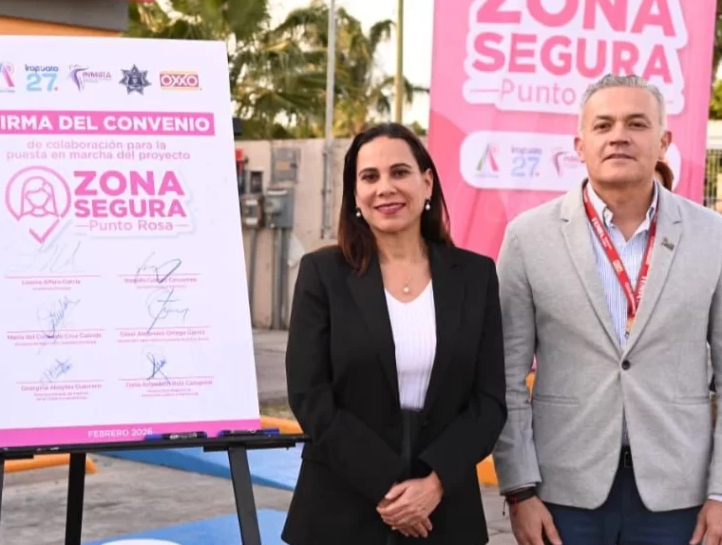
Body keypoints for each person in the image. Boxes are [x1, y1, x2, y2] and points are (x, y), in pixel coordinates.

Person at [494, 73, 722, 545]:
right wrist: (519, 491)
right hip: (561, 492)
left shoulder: (712, 237)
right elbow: (505, 377)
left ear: (664, 142)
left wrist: (721, 493)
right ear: (580, 145)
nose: (619, 135)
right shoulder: (528, 237)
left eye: (636, 123)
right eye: (603, 125)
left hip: (679, 494)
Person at [282, 122, 506, 544]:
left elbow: (489, 400)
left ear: (427, 183)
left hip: (444, 512)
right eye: (370, 177)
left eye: (399, 172)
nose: (385, 188)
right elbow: (310, 395)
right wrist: (389, 489)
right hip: (340, 509)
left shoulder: (475, 276)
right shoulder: (322, 274)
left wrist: (434, 483)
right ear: (355, 195)